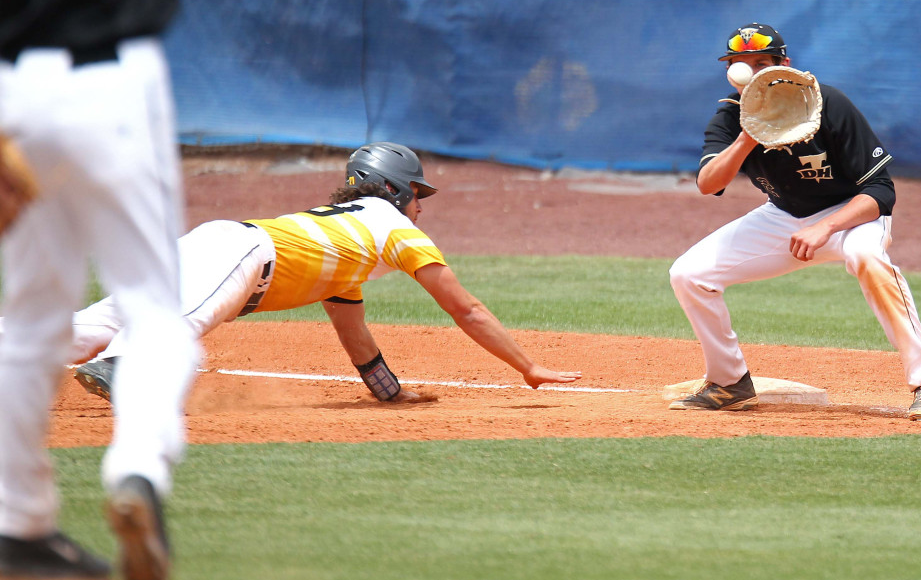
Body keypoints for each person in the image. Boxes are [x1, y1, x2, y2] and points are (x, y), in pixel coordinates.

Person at [0, 0, 258, 578]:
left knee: (28, 315)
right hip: (117, 83)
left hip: (15, 94)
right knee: (154, 311)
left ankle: (22, 525)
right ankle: (138, 469)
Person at [62, 142, 582, 404]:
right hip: (241, 256)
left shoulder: (346, 246)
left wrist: (389, 392)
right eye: (416, 194)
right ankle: (120, 364)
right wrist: (527, 368)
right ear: (394, 191)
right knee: (174, 330)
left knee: (92, 326)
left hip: (212, 246)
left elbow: (352, 333)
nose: (420, 207)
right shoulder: (392, 228)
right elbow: (464, 308)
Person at [668, 23, 921, 420]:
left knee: (868, 259)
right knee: (688, 274)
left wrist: (827, 226)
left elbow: (882, 192)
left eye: (762, 63)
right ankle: (730, 380)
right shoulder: (731, 116)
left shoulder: (828, 104)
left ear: (785, 64)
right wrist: (747, 136)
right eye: (741, 65)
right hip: (783, 216)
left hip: (852, 214)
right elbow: (708, 183)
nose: (752, 72)